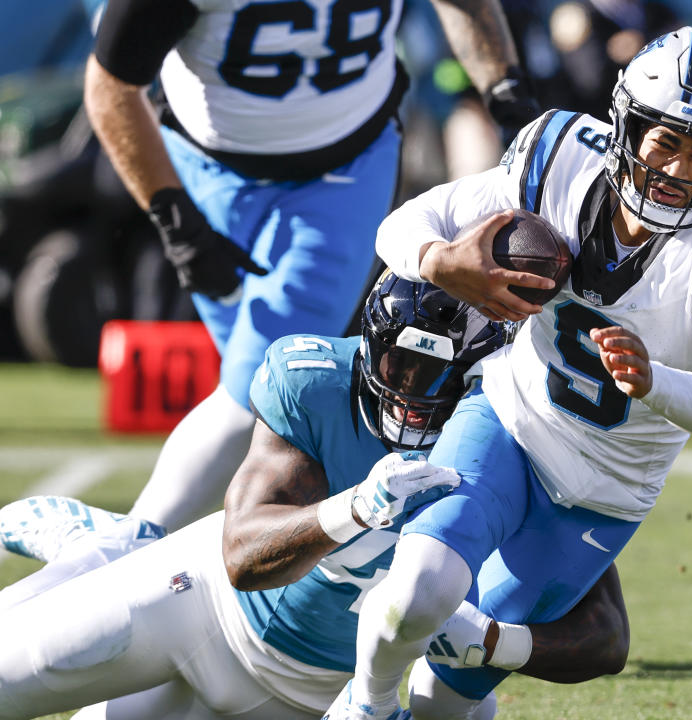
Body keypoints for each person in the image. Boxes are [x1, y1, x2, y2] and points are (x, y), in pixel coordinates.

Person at [323, 26, 692, 720]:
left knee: (442, 696)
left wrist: (652, 382)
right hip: (510, 423)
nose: (676, 168)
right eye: (665, 139)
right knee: (413, 597)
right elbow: (405, 223)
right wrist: (438, 259)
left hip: (602, 492)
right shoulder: (561, 158)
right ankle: (361, 709)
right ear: (626, 124)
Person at [0, 273, 629, 719]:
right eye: (400, 366)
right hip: (206, 609)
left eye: (442, 375)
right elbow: (242, 556)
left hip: (322, 694)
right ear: (371, 343)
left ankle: (104, 550)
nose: (412, 391)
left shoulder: (522, 439)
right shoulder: (314, 381)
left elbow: (604, 636)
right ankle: (107, 550)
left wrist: (496, 643)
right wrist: (352, 509)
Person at [83, 0, 540, 538]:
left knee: (252, 391)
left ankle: (123, 552)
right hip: (205, 174)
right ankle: (234, 579)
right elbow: (110, 87)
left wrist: (506, 95)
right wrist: (177, 220)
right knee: (256, 402)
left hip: (345, 173)